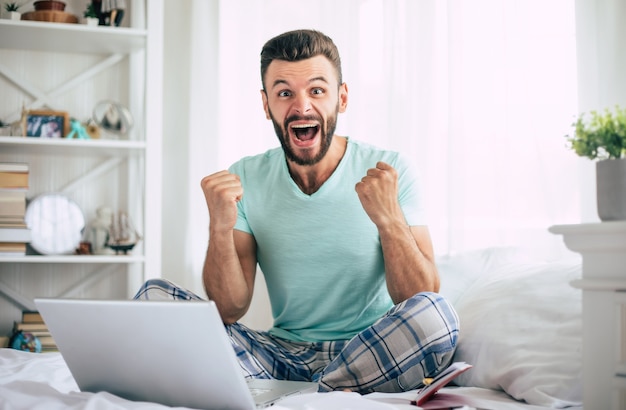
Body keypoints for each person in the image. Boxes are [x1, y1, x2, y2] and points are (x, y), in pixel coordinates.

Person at [134, 29, 459, 394]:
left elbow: (419, 295)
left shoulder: (389, 170)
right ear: (266, 104)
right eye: (284, 92)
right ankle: (331, 392)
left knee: (438, 317)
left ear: (342, 97)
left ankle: (300, 395)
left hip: (372, 347)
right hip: (283, 355)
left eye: (317, 90)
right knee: (154, 297)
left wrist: (388, 219)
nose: (302, 107)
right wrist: (219, 229)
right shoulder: (244, 177)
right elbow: (227, 310)